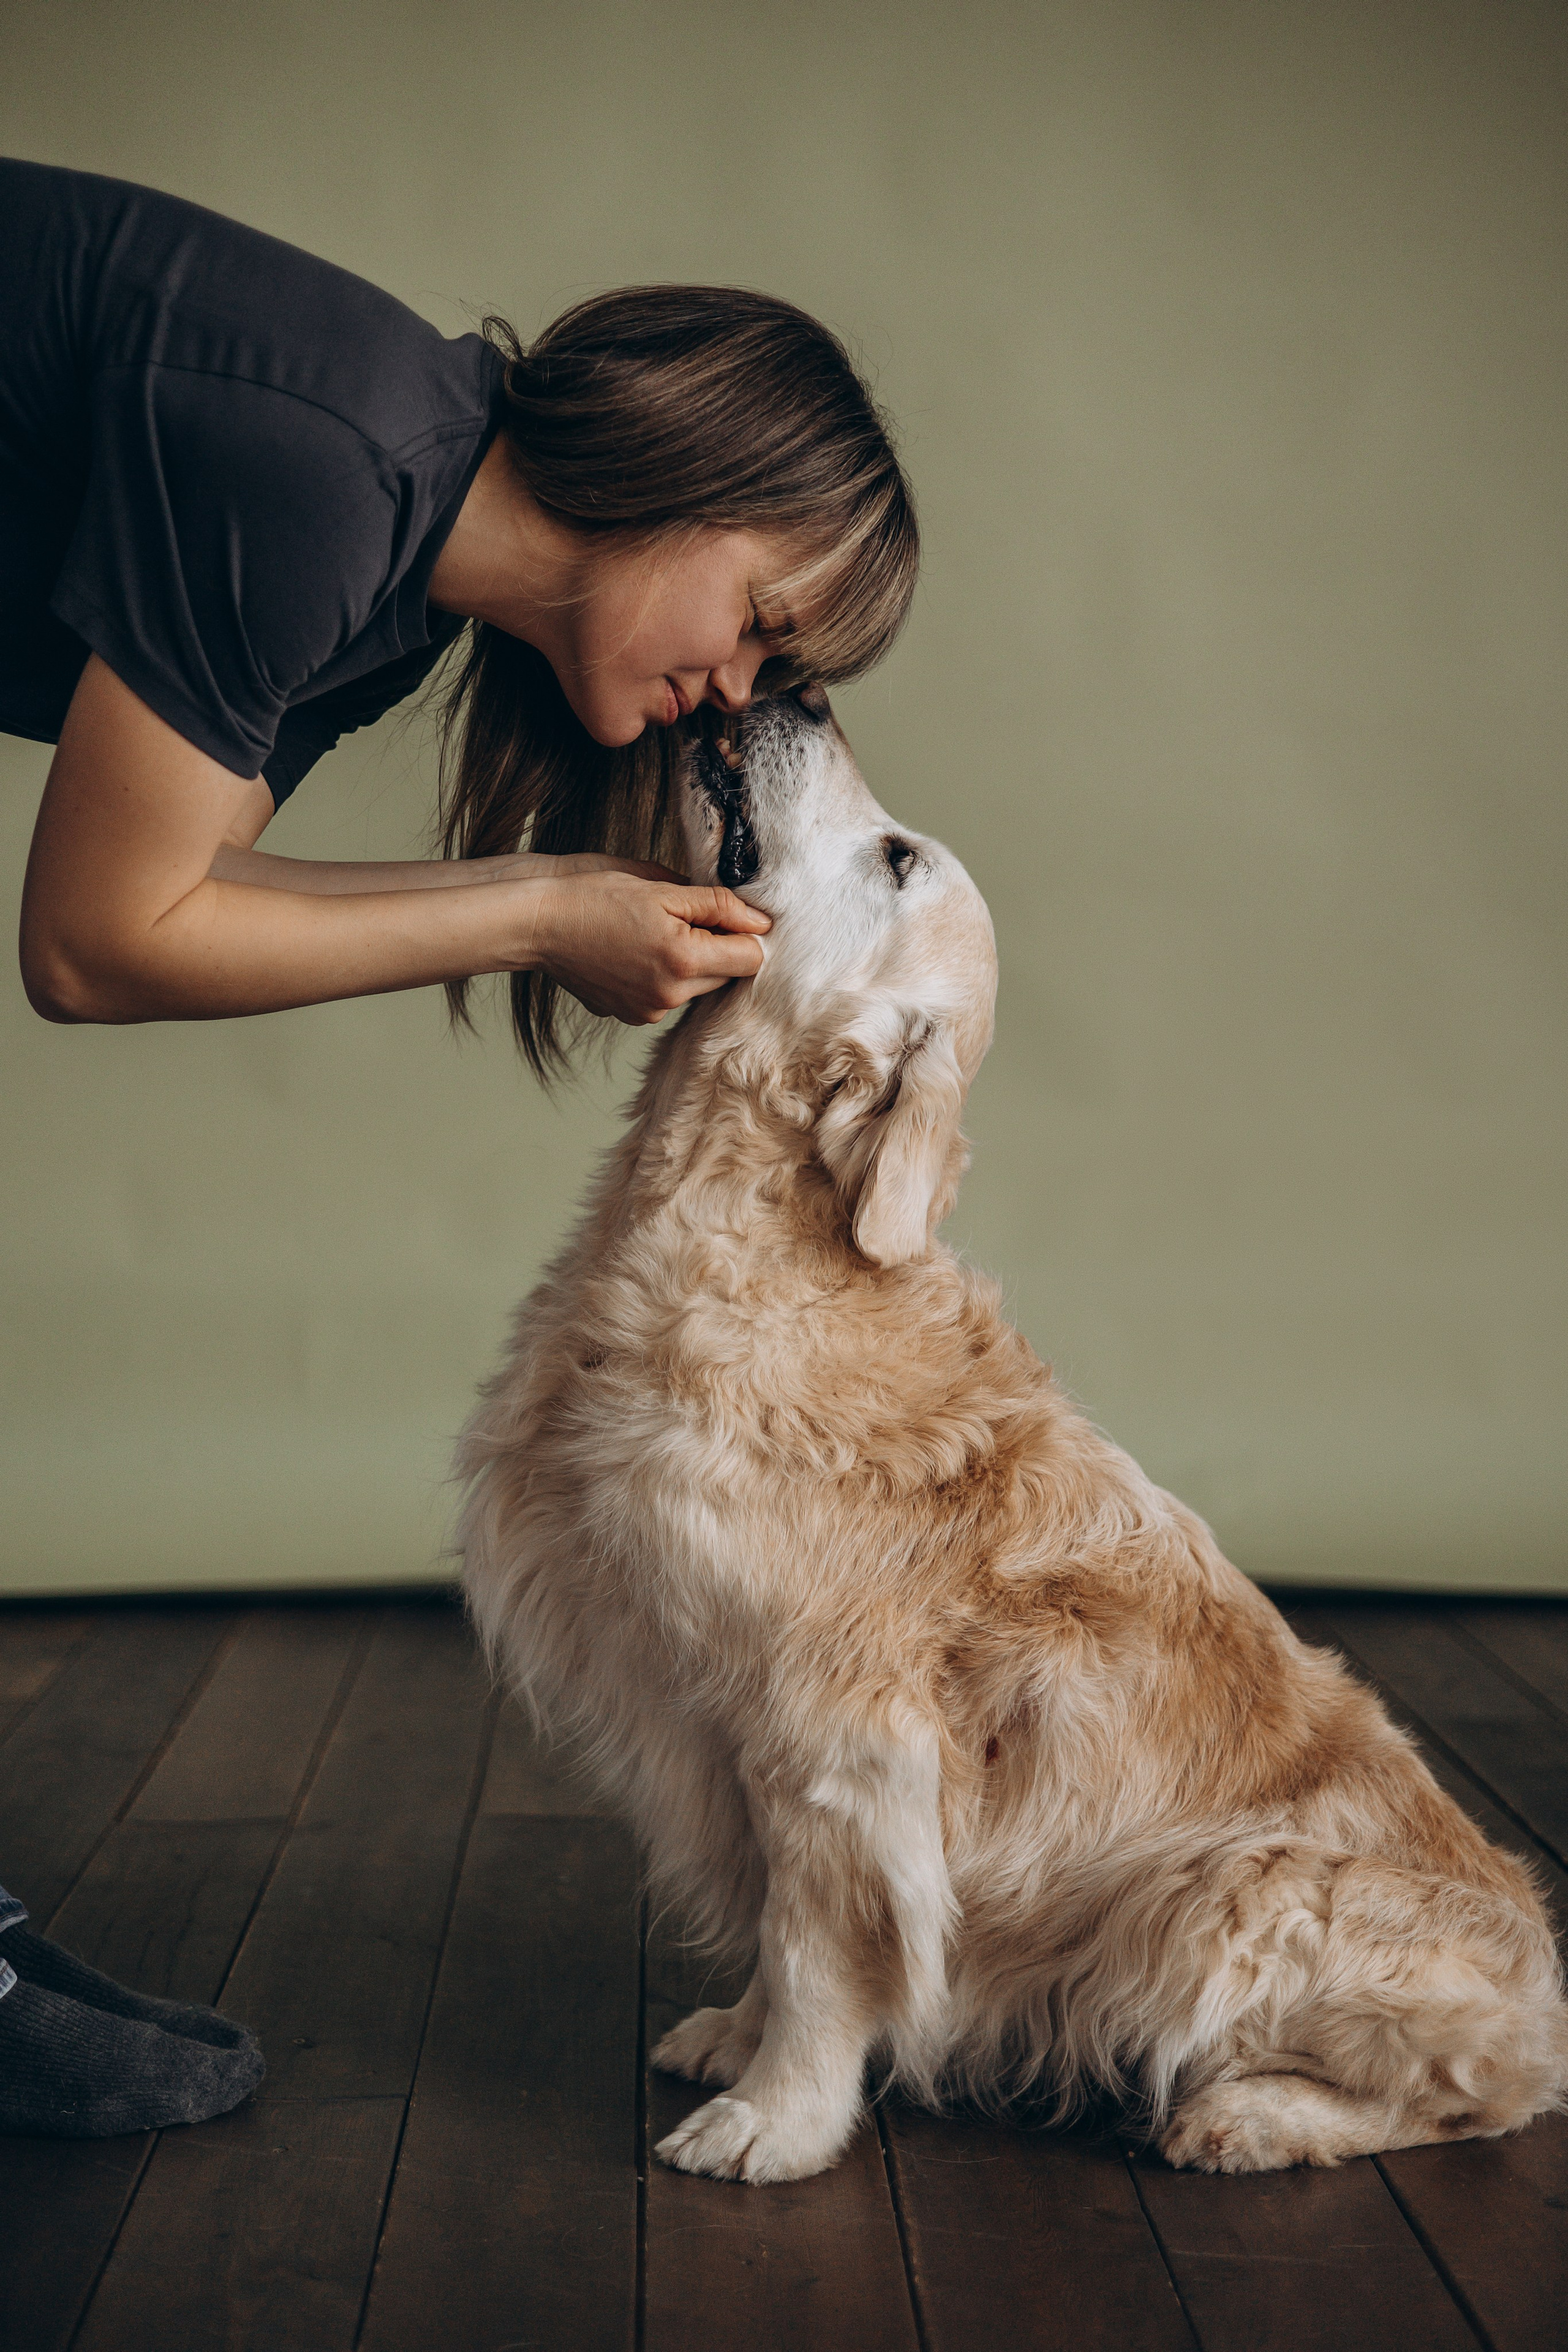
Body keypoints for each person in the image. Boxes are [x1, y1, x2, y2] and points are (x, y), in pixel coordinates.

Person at [0, 159, 918, 2135]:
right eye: (759, 621)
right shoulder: (325, 467)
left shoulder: (384, 585)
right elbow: (86, 943)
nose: (739, 692)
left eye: (781, 677)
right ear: (672, 463)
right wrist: (535, 905)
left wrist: (561, 893)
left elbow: (190, 891)